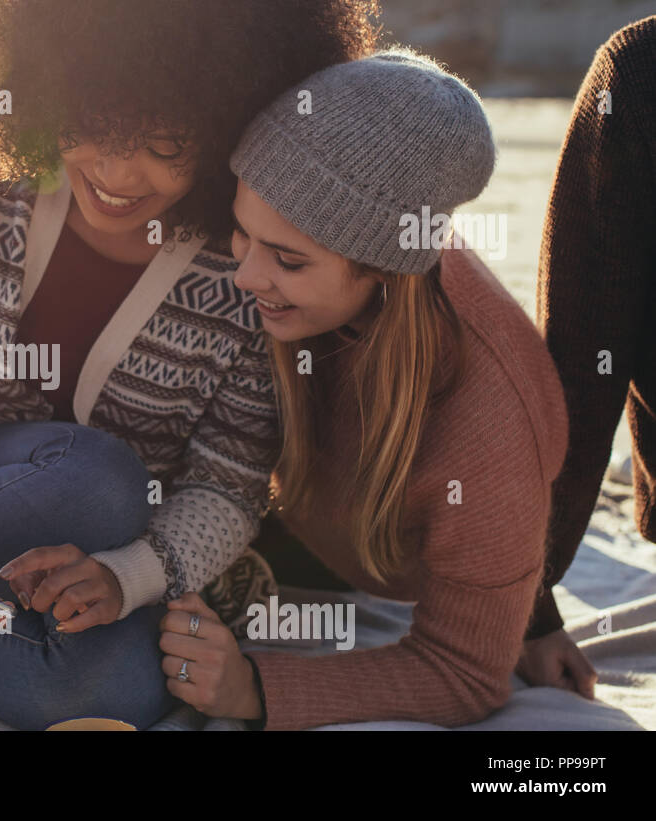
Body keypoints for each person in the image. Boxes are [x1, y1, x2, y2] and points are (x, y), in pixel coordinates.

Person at [0, 0, 380, 730]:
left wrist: (123, 576)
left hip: (122, 555)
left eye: (163, 143)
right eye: (92, 123)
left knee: (123, 693)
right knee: (100, 477)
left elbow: (228, 483)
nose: (113, 173)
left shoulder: (249, 265)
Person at [158, 49, 569, 729]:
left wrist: (253, 687)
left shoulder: (489, 429)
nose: (245, 276)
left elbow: (467, 672)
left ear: (383, 272)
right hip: (268, 516)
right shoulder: (290, 278)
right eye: (243, 233)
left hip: (365, 554)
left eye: (288, 259)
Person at [521, 15, 656, 699]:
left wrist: (527, 606)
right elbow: (580, 371)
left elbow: (582, 364)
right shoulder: (639, 77)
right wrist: (528, 604)